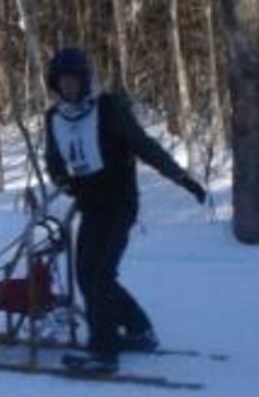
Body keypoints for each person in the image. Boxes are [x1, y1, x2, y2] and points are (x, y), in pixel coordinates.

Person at [43, 47, 206, 375]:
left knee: (100, 275)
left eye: (75, 79)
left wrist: (180, 176)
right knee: (87, 274)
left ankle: (103, 351)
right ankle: (139, 330)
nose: (70, 86)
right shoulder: (55, 118)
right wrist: (64, 181)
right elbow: (54, 161)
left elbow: (144, 146)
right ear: (56, 84)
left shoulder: (108, 109)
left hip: (119, 203)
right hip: (90, 206)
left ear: (85, 79)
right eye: (64, 81)